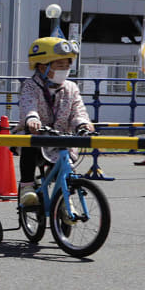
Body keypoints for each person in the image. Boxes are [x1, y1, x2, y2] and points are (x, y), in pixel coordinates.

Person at [17, 37, 94, 206]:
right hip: (39, 137)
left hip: (61, 138)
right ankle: (27, 187)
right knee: (30, 142)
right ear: (43, 66)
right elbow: (28, 105)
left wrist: (82, 123)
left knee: (65, 170)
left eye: (67, 65)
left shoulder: (71, 87)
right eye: (60, 65)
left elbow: (77, 110)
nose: (65, 69)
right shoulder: (30, 85)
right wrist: (32, 118)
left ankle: (64, 200)